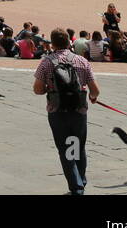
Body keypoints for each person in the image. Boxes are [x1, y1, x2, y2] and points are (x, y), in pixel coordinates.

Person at [33, 29, 99, 194]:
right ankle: (80, 181)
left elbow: (37, 89)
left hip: (57, 111)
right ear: (69, 41)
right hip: (79, 110)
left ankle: (76, 186)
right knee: (77, 146)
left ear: (53, 44)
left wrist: (50, 89)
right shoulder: (81, 61)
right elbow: (95, 90)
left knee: (65, 148)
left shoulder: (47, 62)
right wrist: (92, 96)